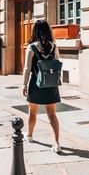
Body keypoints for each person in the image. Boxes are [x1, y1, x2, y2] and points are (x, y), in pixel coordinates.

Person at [22, 19, 61, 153]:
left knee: (32, 112)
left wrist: (24, 84)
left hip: (36, 84)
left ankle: (30, 136)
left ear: (35, 31)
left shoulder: (31, 47)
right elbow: (56, 64)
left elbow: (27, 68)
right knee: (52, 114)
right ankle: (56, 143)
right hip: (50, 84)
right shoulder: (54, 46)